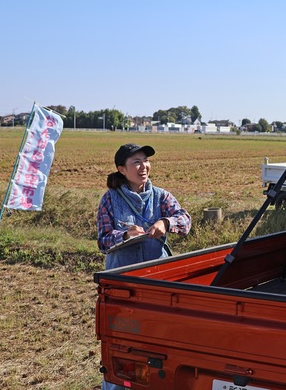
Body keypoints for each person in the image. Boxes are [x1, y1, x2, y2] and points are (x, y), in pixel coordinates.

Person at [97, 143, 191, 389]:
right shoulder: (109, 200)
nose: (143, 166)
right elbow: (103, 241)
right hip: (122, 287)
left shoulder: (161, 196)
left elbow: (185, 220)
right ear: (122, 169)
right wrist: (125, 236)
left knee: (158, 341)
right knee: (122, 343)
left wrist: (166, 222)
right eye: (136, 162)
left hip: (156, 284)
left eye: (145, 160)